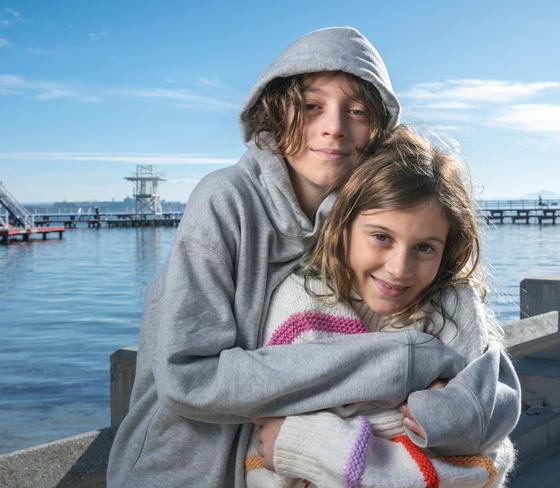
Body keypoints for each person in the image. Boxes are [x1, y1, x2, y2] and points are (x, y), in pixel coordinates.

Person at [107, 27, 481, 488]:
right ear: (274, 110)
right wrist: (398, 362)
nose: (334, 127)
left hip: (286, 465)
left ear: (378, 128)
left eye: (358, 111)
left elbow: (478, 371)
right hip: (184, 471)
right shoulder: (224, 201)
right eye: (311, 106)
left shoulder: (365, 217)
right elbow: (189, 377)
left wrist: (457, 404)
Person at [246, 126, 518, 488]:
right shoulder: (301, 305)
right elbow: (267, 458)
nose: (398, 269)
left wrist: (308, 442)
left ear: (447, 249)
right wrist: (413, 432)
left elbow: (487, 461)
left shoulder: (454, 306)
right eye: (381, 237)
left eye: (425, 248)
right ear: (342, 227)